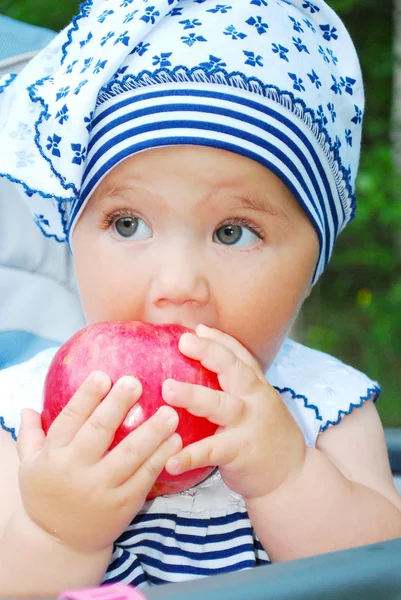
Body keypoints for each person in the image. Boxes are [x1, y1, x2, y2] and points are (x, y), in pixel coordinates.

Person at [0, 0, 400, 596]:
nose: (178, 284)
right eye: (128, 223)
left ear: (312, 264)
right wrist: (57, 532)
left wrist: (288, 477)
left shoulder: (325, 410)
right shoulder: (28, 419)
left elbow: (379, 569)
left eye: (232, 232)